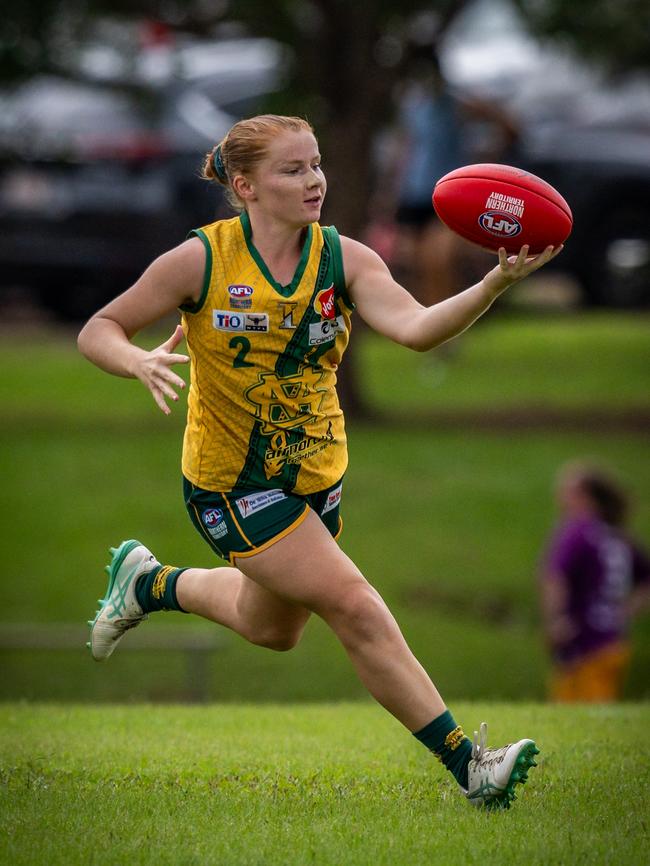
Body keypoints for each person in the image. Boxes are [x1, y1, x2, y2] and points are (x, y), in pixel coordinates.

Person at [78, 113, 559, 808]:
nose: (314, 181)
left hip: (315, 475)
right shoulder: (202, 261)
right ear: (245, 185)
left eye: (316, 164)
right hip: (230, 483)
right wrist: (136, 360)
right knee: (355, 605)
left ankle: (149, 584)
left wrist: (492, 285)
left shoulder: (347, 259)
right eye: (293, 169)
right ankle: (471, 766)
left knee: (271, 629)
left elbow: (417, 330)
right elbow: (100, 328)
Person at [386, 45, 519, 306]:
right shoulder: (411, 105)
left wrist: (485, 162)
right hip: (414, 193)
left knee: (438, 261)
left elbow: (508, 126)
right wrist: (392, 190)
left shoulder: (455, 104)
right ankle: (426, 320)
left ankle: (446, 326)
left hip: (448, 194)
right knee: (413, 265)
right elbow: (405, 150)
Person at [541, 461, 650, 702]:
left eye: (567, 491)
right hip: (614, 640)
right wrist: (626, 611)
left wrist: (556, 619)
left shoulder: (576, 531)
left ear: (584, 496)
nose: (560, 498)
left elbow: (555, 576)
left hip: (582, 642)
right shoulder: (618, 536)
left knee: (571, 712)